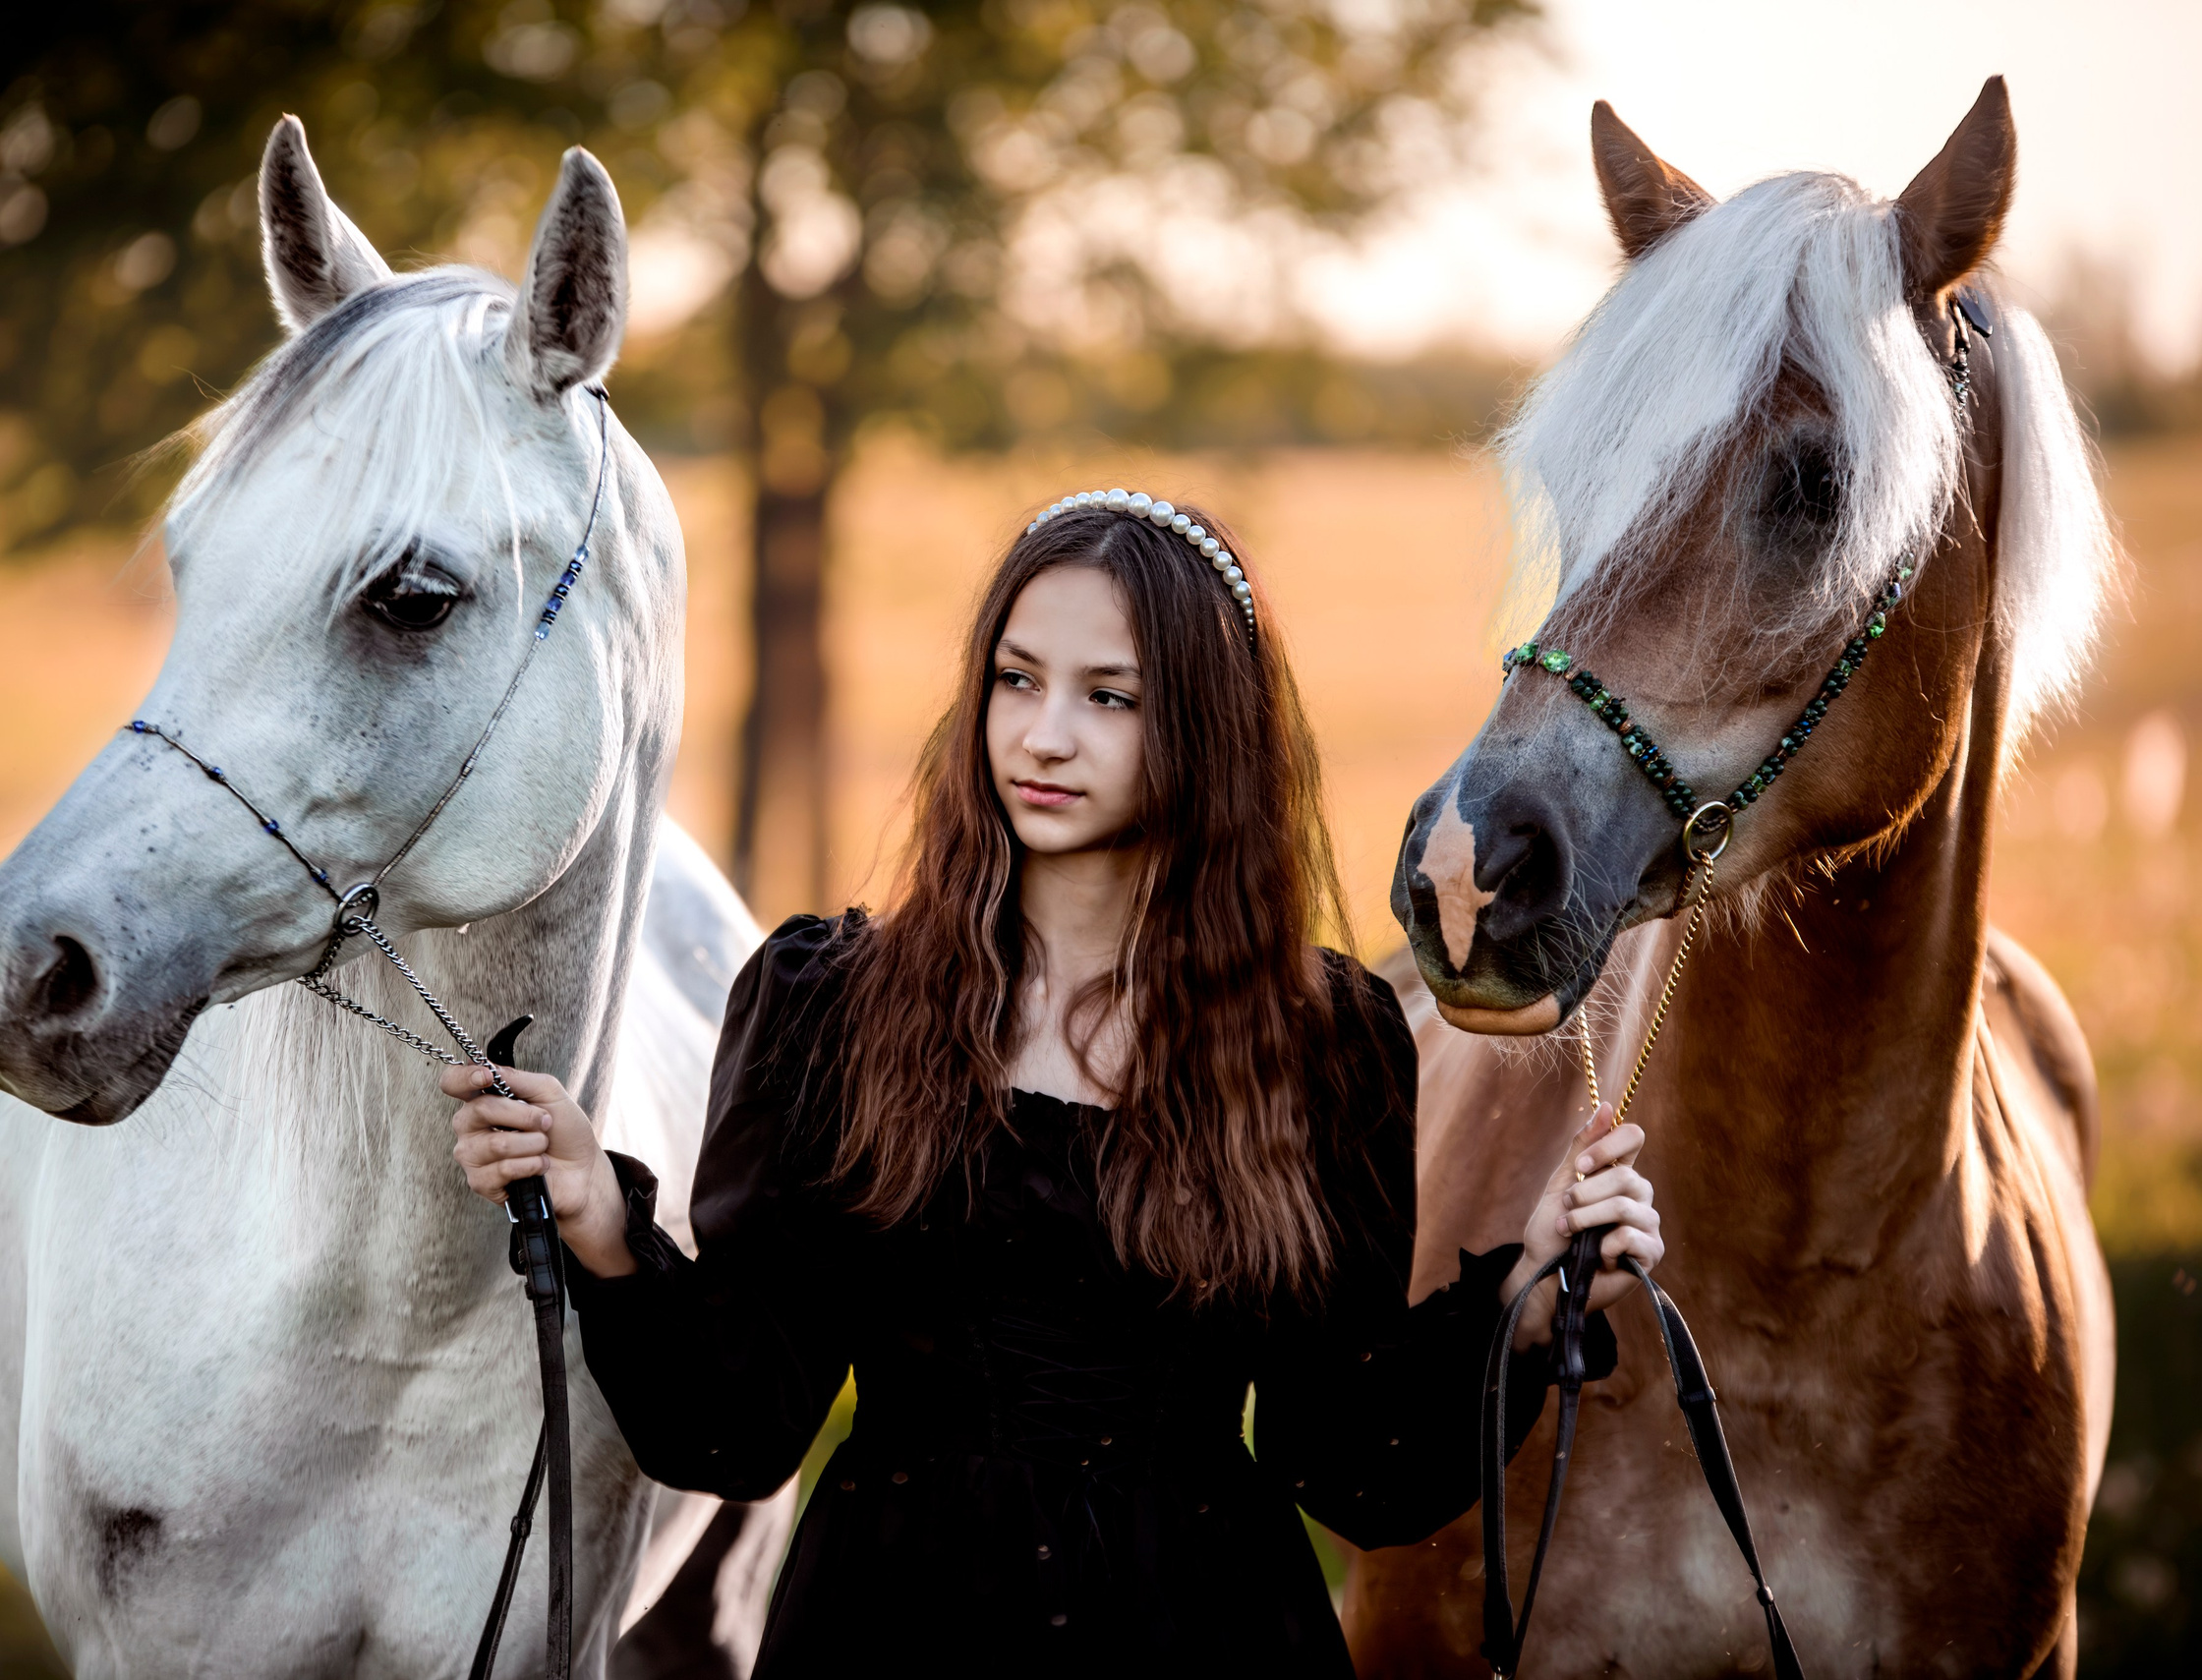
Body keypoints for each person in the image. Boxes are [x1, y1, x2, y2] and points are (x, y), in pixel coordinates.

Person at [442, 490, 1664, 1677]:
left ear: (1204, 730)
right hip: (890, 1627)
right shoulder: (834, 1006)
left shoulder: (1319, 1043)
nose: (1042, 734)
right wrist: (602, 1221)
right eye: (1016, 679)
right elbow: (739, 1424)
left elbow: (1348, 1460)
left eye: (1108, 696)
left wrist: (1531, 1296)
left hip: (1204, 1631)